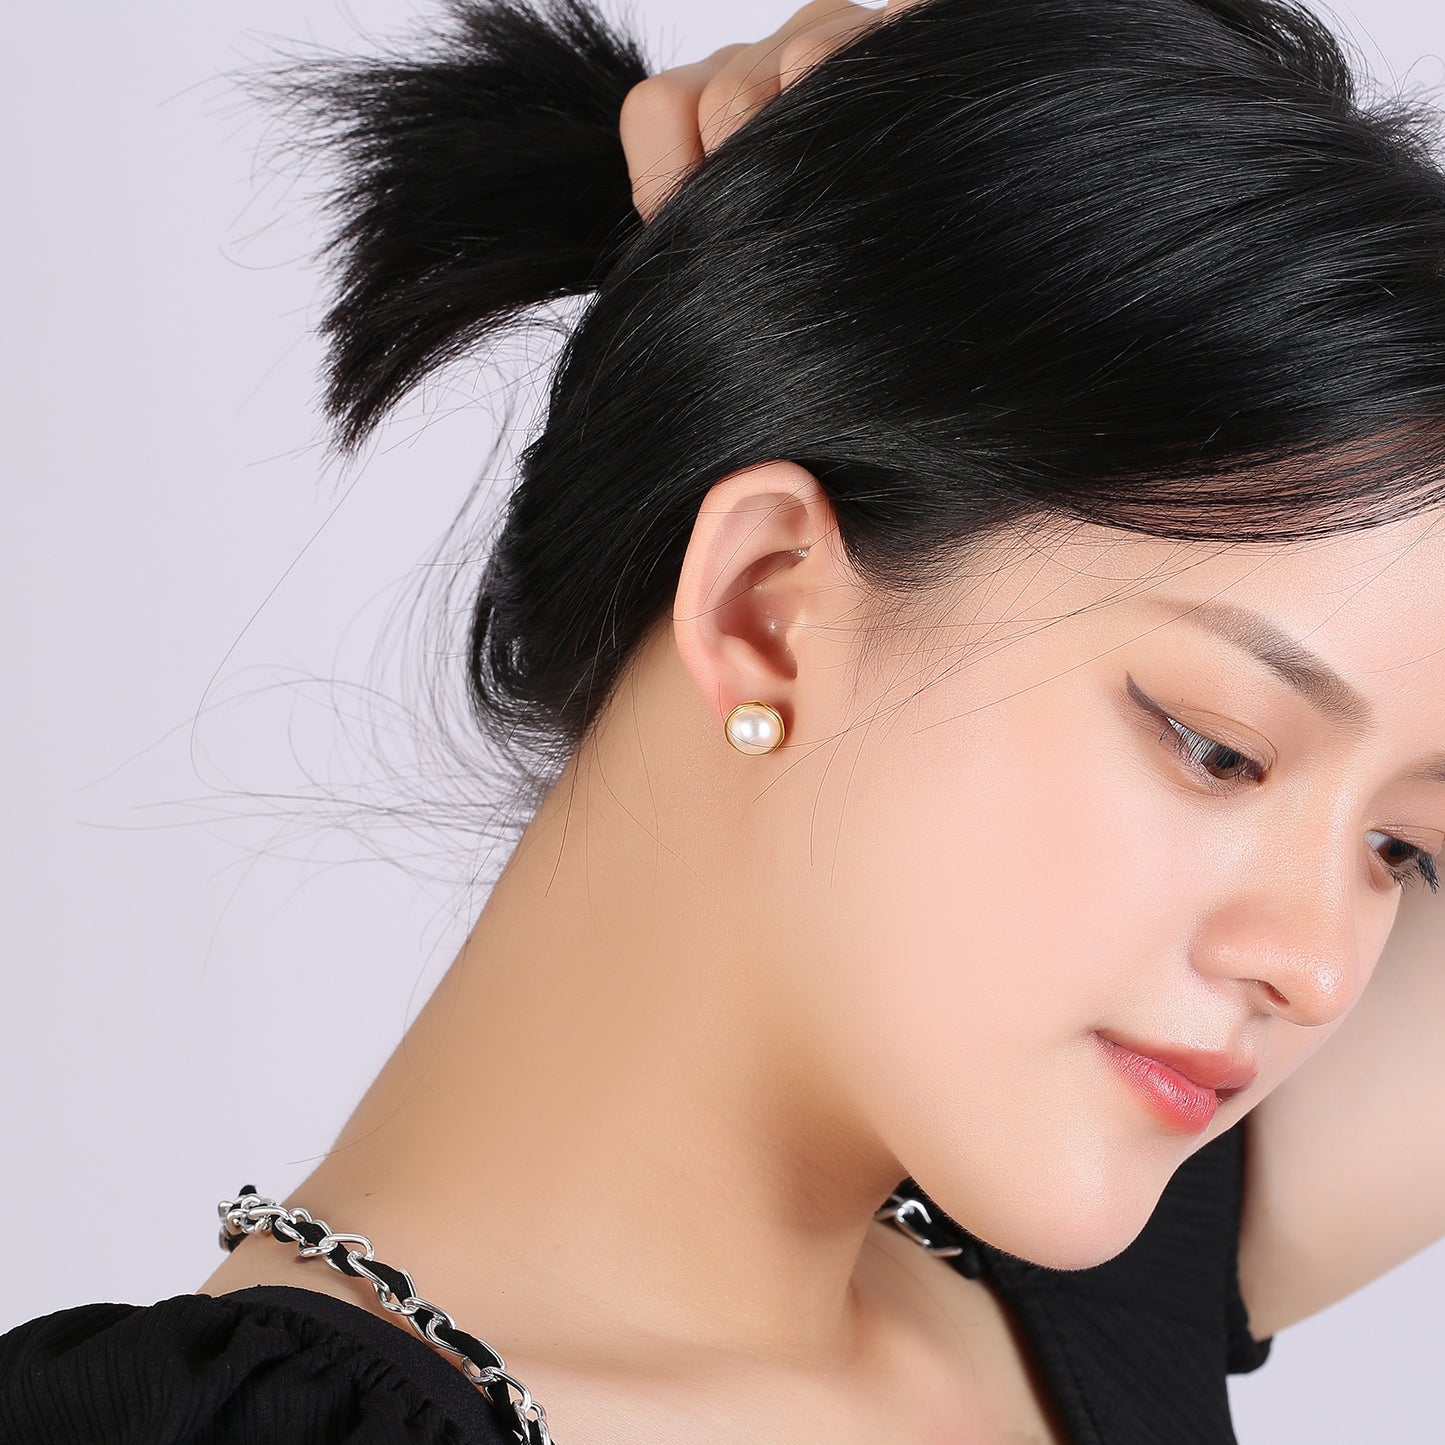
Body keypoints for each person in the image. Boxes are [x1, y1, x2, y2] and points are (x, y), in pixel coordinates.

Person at [5, 0, 1445, 1441]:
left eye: (1401, 847)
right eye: (1217, 747)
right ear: (766, 607)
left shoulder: (1084, 1288)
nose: (1318, 968)